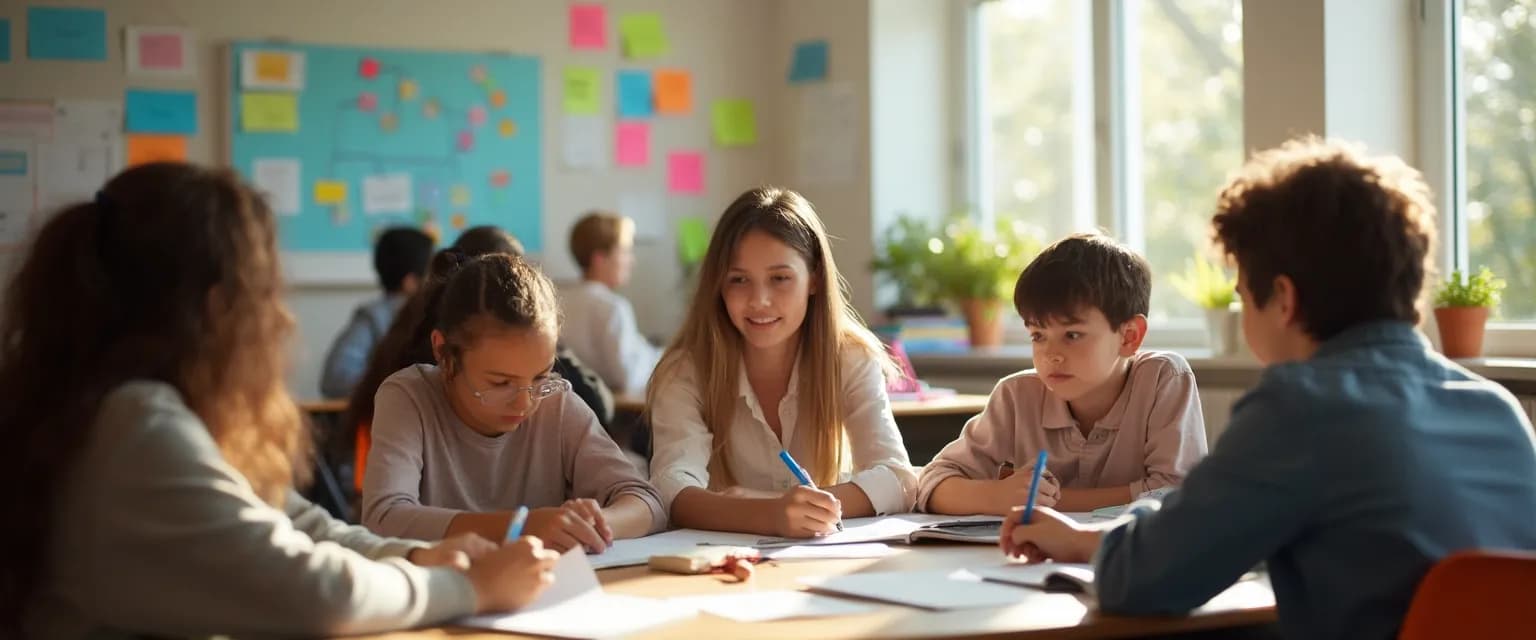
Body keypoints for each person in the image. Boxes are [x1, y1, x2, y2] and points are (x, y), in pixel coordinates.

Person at [1000, 138, 1536, 640]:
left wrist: (1138, 527)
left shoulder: (1302, 410)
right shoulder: (1497, 411)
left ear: (1282, 299)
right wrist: (1089, 537)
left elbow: (1140, 581)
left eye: (1242, 297)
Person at [0, 163, 558, 639]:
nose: (280, 316)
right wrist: (467, 588)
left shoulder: (137, 411)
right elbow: (314, 593)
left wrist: (414, 556)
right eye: (267, 293)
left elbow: (299, 526)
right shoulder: (134, 425)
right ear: (219, 308)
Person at [648, 187, 918, 538]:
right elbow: (671, 491)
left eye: (780, 278)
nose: (759, 300)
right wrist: (770, 513)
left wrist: (775, 505)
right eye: (739, 280)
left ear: (815, 279)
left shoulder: (850, 358)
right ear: (718, 286)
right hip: (719, 561)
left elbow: (898, 479)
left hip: (822, 559)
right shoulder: (685, 370)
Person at [362, 253, 665, 553]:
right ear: (443, 353)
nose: (524, 402)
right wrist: (522, 527)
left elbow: (648, 503)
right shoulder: (408, 396)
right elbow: (384, 518)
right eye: (500, 383)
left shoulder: (555, 401)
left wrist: (591, 524)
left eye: (539, 376)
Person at [919, 233, 1208, 515]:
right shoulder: (1016, 396)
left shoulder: (1164, 378)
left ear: (1129, 336)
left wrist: (1049, 501)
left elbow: (1176, 494)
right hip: (1032, 560)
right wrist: (996, 496)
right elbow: (932, 485)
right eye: (1038, 335)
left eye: (1072, 334)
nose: (1050, 354)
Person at [320, 226, 433, 398]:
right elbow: (336, 378)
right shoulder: (375, 317)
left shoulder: (439, 313)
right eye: (431, 274)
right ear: (410, 282)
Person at [559, 211, 663, 394]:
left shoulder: (558, 299)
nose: (631, 260)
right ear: (599, 259)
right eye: (624, 252)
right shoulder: (612, 307)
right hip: (614, 412)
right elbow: (628, 376)